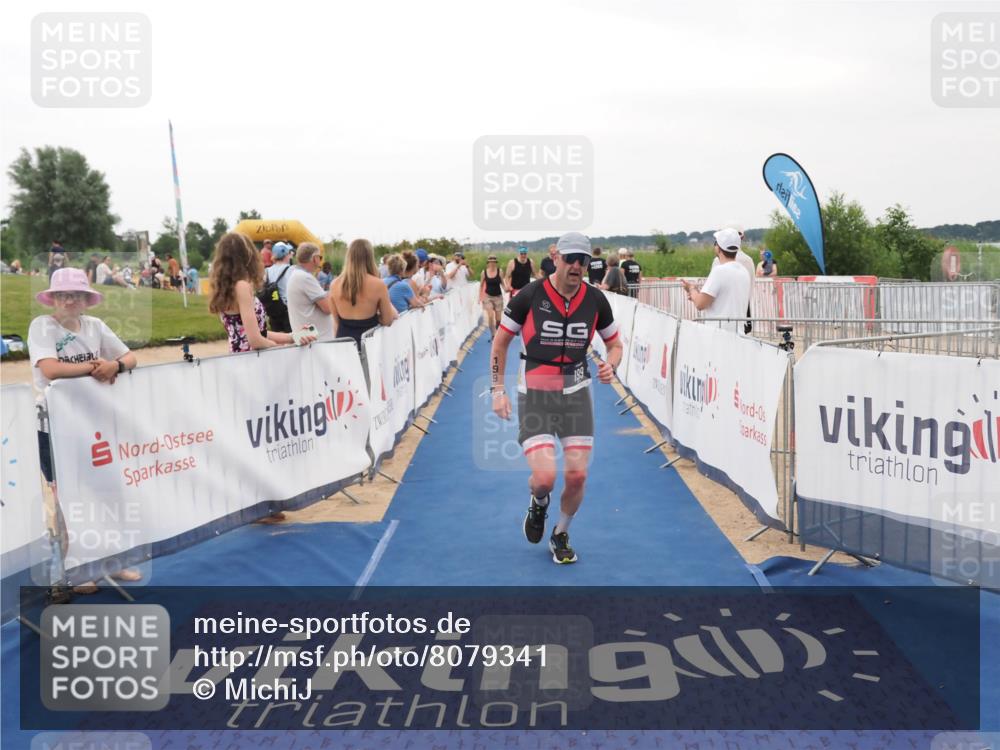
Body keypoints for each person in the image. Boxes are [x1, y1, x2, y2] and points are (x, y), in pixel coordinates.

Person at [491, 232, 623, 565]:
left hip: (576, 395)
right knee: (545, 479)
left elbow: (615, 345)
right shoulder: (529, 295)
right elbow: (500, 344)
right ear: (556, 258)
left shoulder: (595, 300)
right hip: (535, 394)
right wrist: (497, 390)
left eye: (583, 260)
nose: (577, 266)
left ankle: (561, 533)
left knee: (577, 475)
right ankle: (539, 503)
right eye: (570, 259)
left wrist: (611, 364)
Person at [28, 267, 142, 592]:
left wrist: (115, 365)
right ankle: (74, 569)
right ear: (53, 298)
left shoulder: (95, 325)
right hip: (56, 426)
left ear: (85, 299)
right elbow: (50, 369)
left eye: (76, 294)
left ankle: (112, 560)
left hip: (94, 425)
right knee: (67, 499)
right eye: (63, 294)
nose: (69, 300)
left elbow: (130, 357)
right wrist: (96, 369)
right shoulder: (42, 326)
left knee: (107, 490)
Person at [208, 233, 315, 353]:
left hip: (240, 357)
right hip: (252, 358)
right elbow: (255, 341)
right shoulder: (242, 286)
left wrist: (293, 337)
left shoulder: (227, 288)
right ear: (247, 254)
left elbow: (259, 333)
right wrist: (283, 349)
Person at [681, 228, 752, 335]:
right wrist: (697, 295)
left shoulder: (719, 271)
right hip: (738, 335)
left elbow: (700, 303)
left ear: (718, 248)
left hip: (719, 335)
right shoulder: (743, 271)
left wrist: (691, 289)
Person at [329, 238, 397, 346]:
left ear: (349, 256)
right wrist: (375, 318)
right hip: (370, 344)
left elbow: (336, 321)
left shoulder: (334, 285)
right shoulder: (378, 284)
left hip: (344, 344)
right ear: (370, 257)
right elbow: (387, 320)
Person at [286, 242, 335, 342]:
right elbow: (328, 308)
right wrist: (335, 290)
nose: (320, 261)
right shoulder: (305, 278)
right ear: (314, 258)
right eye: (320, 257)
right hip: (318, 341)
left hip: (310, 339)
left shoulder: (296, 274)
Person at [713, 224, 756, 332]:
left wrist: (693, 292)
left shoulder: (717, 262)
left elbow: (710, 294)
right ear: (742, 237)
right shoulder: (748, 260)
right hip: (743, 309)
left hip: (722, 312)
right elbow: (751, 286)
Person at [263, 241, 295, 332]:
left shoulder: (267, 271)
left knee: (277, 339)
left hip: (273, 311)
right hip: (288, 311)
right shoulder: (291, 270)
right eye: (289, 253)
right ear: (286, 254)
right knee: (293, 338)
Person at [479, 254, 505, 338]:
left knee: (498, 319)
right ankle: (493, 334)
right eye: (491, 262)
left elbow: (502, 283)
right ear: (488, 263)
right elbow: (481, 285)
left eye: (494, 262)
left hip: (498, 296)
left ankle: (497, 332)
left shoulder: (500, 271)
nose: (492, 263)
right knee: (490, 316)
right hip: (488, 296)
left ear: (496, 262)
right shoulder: (484, 272)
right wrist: (480, 297)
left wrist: (506, 289)